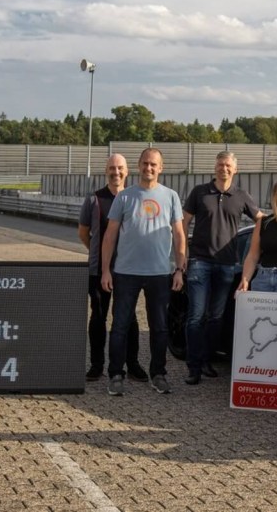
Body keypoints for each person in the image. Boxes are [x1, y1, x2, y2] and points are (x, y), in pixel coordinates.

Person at [101, 148, 187, 397]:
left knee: (159, 327)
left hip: (160, 274)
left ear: (161, 168)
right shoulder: (125, 197)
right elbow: (110, 236)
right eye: (145, 163)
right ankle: (115, 374)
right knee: (119, 326)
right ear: (138, 166)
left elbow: (180, 236)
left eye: (154, 164)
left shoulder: (171, 197)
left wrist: (179, 269)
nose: (149, 168)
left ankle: (158, 374)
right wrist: (106, 270)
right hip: (125, 273)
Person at [182, 152, 263, 385]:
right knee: (196, 316)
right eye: (220, 165)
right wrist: (183, 255)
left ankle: (207, 360)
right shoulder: (199, 192)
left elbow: (260, 219)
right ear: (214, 167)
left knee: (216, 317)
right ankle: (194, 366)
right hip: (199, 262)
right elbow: (183, 221)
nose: (223, 169)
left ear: (235, 169)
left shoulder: (241, 196)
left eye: (228, 165)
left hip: (227, 264)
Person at [77, 154, 148, 382]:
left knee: (129, 319)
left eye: (120, 168)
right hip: (98, 271)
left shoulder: (135, 198)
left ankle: (133, 363)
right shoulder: (94, 200)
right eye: (111, 168)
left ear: (127, 171)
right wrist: (99, 254)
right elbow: (83, 232)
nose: (115, 172)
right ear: (105, 170)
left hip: (128, 271)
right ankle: (97, 365)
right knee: (98, 317)